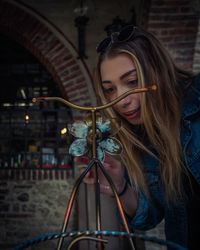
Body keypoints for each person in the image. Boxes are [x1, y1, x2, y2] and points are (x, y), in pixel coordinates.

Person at [77, 25, 200, 249]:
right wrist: (118, 185)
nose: (121, 100)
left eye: (132, 82)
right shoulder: (137, 136)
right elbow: (150, 215)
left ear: (157, 72)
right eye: (110, 89)